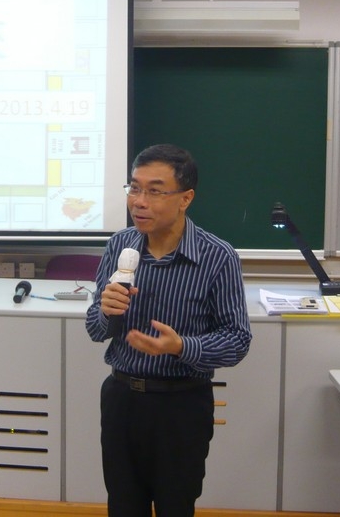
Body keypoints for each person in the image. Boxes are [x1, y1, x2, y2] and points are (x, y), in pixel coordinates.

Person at [85, 143, 252, 517]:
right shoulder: (119, 245)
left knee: (176, 506)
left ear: (185, 198)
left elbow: (237, 340)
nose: (139, 202)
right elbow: (95, 329)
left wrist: (181, 347)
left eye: (155, 191)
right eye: (134, 188)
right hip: (122, 399)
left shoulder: (217, 256)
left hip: (181, 405)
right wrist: (107, 312)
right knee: (123, 506)